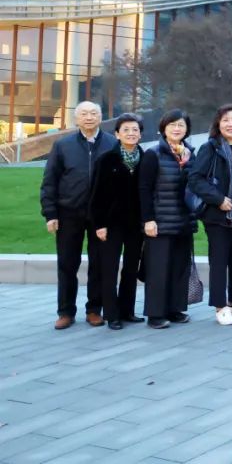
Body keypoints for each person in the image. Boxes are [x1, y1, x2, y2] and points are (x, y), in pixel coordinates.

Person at [41, 101, 117, 329]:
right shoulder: (62, 145)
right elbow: (50, 181)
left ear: (100, 117)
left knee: (99, 264)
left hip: (101, 216)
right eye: (84, 113)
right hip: (69, 213)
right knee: (67, 264)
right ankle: (66, 311)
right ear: (76, 118)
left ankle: (94, 309)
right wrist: (50, 213)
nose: (89, 117)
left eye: (94, 113)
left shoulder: (113, 144)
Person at [188, 104, 232, 326]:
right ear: (218, 124)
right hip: (218, 216)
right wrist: (219, 199)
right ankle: (220, 307)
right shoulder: (210, 148)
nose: (231, 124)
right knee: (219, 262)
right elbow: (195, 179)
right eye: (226, 120)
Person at [139, 109, 198, 329]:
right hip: (160, 222)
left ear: (187, 130)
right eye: (172, 124)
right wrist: (148, 220)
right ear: (164, 128)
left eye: (181, 125)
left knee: (179, 268)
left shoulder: (190, 155)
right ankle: (155, 314)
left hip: (184, 221)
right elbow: (144, 189)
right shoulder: (153, 154)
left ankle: (175, 309)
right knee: (158, 269)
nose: (176, 128)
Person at [89, 113, 146, 330]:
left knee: (131, 268)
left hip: (135, 225)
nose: (131, 133)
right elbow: (97, 195)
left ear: (140, 134)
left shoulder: (146, 158)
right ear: (117, 134)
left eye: (135, 130)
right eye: (126, 130)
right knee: (109, 269)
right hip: (111, 225)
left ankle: (127, 311)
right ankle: (112, 314)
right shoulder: (107, 159)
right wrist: (99, 224)